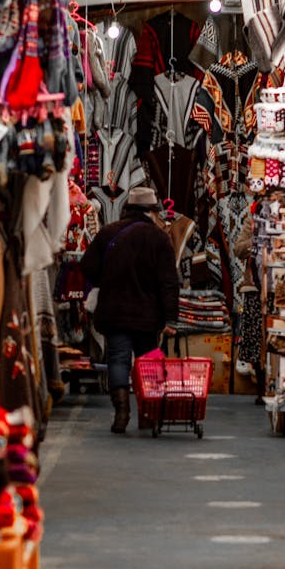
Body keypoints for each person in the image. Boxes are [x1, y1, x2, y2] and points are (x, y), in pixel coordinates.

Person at [81, 185, 179, 434]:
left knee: (118, 359)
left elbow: (87, 266)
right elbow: (169, 282)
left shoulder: (108, 232)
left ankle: (121, 413)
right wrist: (170, 318)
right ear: (151, 211)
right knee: (148, 363)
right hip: (147, 315)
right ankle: (148, 414)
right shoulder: (159, 238)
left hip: (114, 311)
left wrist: (107, 279)